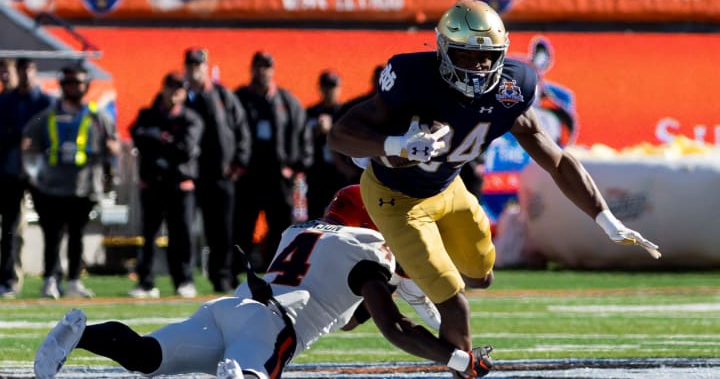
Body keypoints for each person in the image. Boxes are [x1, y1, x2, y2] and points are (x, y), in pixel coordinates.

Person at [328, 0, 661, 359]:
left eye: (487, 57)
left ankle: (400, 274)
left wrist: (605, 218)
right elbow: (340, 135)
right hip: (396, 199)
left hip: (448, 187)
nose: (479, 66)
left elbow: (559, 161)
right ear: (443, 50)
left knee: (481, 276)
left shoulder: (511, 88)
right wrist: (393, 144)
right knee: (455, 306)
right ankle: (461, 361)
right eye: (468, 55)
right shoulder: (414, 78)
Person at [34, 185, 494, 379]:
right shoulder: (369, 256)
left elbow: (343, 310)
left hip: (228, 307)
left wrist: (385, 290)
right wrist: (457, 357)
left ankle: (80, 335)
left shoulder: (298, 231)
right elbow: (396, 328)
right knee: (251, 371)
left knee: (146, 356)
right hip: (273, 328)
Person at [21, 64, 120, 299]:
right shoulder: (47, 116)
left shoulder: (97, 116)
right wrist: (32, 175)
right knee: (52, 238)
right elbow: (28, 144)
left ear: (85, 86)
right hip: (51, 187)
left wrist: (108, 162)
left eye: (78, 83)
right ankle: (50, 280)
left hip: (84, 186)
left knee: (77, 236)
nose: (73, 87)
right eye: (69, 83)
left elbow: (115, 146)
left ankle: (74, 280)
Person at [234, 51, 313, 271]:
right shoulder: (240, 99)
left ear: (273, 70)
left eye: (267, 67)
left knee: (280, 226)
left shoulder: (286, 101)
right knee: (243, 226)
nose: (263, 71)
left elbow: (302, 133)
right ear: (252, 69)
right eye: (259, 66)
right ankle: (238, 271)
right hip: (249, 175)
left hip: (278, 176)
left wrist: (298, 166)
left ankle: (278, 270)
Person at [128, 71, 204, 298]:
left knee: (181, 235)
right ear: (163, 89)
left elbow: (185, 149)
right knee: (149, 235)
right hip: (153, 184)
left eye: (179, 89)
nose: (174, 93)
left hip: (179, 185)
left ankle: (184, 280)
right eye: (171, 87)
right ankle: (146, 282)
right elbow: (137, 136)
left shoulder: (191, 118)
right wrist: (163, 142)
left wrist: (158, 140)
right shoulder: (148, 114)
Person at [183, 47, 251, 294]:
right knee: (186, 230)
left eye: (198, 64)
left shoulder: (223, 95)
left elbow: (242, 129)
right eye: (190, 64)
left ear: (206, 66)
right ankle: (185, 279)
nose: (194, 69)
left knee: (222, 230)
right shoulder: (182, 96)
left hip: (221, 175)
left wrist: (238, 163)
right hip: (192, 175)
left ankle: (222, 276)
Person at [0, 57, 55, 298]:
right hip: (11, 171)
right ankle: (9, 279)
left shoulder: (45, 103)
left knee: (51, 226)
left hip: (39, 173)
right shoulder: (5, 102)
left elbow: (52, 134)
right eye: (20, 70)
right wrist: (16, 137)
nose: (24, 75)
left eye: (28, 70)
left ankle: (52, 277)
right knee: (10, 227)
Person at [305, 70, 353, 219]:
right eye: (326, 87)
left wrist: (330, 131)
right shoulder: (311, 112)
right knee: (315, 214)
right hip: (317, 171)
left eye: (333, 87)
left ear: (339, 88)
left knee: (342, 214)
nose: (329, 91)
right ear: (319, 88)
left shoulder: (347, 111)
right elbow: (301, 140)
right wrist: (315, 132)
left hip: (340, 172)